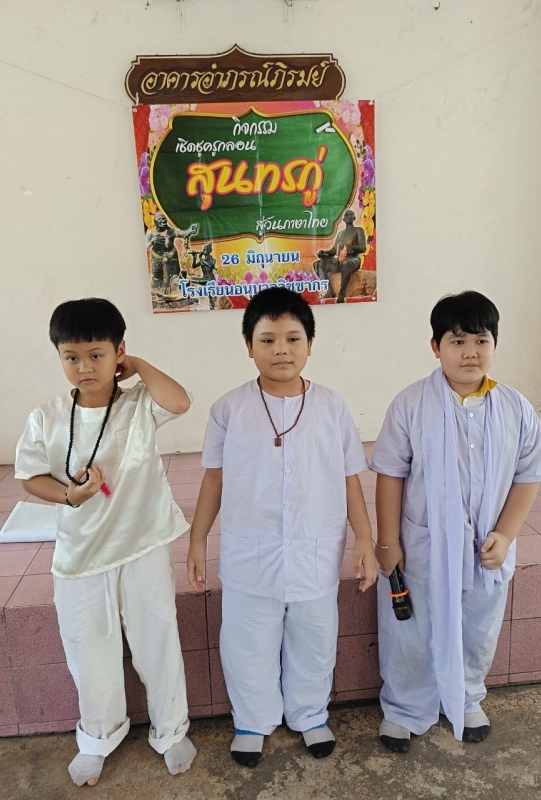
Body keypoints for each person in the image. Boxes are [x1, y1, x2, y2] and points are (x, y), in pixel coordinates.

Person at [187, 287, 377, 767]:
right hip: (250, 555)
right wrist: (197, 539)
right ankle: (252, 721)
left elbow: (350, 478)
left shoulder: (332, 407)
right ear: (248, 346)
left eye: (293, 338)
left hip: (315, 550)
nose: (281, 350)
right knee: (247, 641)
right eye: (267, 340)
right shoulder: (228, 409)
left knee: (314, 639)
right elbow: (214, 479)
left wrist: (365, 539)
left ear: (310, 344)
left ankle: (310, 715)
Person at [15, 298, 196, 787]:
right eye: (71, 357)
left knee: (157, 639)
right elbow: (30, 476)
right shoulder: (47, 417)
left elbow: (180, 401)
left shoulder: (138, 405)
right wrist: (70, 496)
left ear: (118, 351)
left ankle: (171, 731)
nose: (84, 367)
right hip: (81, 555)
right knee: (88, 648)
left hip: (142, 545)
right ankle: (97, 737)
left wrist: (137, 366)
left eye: (97, 354)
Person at [370, 291, 541, 752]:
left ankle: (469, 698)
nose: (470, 352)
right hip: (424, 545)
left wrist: (506, 535)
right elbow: (390, 475)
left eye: (480, 340)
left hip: (486, 549)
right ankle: (404, 708)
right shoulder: (411, 404)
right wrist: (388, 544)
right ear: (436, 347)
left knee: (478, 627)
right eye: (457, 341)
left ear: (495, 344)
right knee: (411, 631)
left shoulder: (515, 407)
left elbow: (529, 476)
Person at [315, 209, 367, 303]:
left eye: (349, 215)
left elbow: (363, 248)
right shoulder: (340, 234)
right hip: (339, 260)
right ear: (343, 219)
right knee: (318, 264)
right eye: (345, 215)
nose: (347, 216)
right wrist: (324, 252)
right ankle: (329, 291)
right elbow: (334, 250)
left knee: (345, 262)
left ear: (354, 218)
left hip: (353, 259)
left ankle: (342, 293)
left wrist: (347, 247)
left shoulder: (359, 230)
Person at [146, 212, 198, 293]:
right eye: (160, 219)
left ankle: (175, 292)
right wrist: (152, 241)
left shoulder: (171, 231)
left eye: (164, 219)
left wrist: (190, 231)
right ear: (156, 222)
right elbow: (145, 246)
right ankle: (158, 294)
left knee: (175, 277)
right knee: (156, 279)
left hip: (172, 258)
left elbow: (183, 233)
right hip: (157, 259)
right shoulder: (151, 234)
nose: (163, 221)